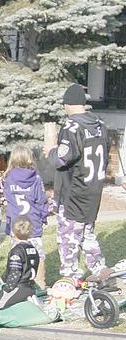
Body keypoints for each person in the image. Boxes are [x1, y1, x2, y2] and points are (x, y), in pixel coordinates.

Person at [46, 83, 110, 282]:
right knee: (87, 233)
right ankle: (100, 270)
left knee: (68, 236)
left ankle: (70, 278)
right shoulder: (100, 125)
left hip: (74, 192)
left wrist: (50, 150)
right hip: (93, 189)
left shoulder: (72, 126)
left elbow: (62, 159)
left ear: (68, 104)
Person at [2, 145, 48, 288]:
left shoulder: (9, 178)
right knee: (38, 254)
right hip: (32, 222)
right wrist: (43, 216)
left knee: (17, 253)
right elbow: (41, 200)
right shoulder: (36, 178)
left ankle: (16, 284)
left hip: (16, 223)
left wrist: (8, 224)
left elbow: (8, 201)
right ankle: (40, 283)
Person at [0, 217, 41, 311]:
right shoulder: (34, 249)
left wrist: (6, 289)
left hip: (18, 287)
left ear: (13, 232)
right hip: (30, 286)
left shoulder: (17, 251)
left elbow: (15, 273)